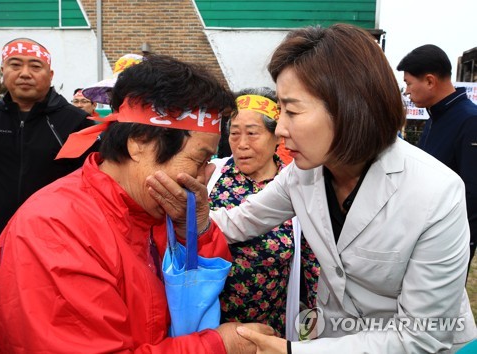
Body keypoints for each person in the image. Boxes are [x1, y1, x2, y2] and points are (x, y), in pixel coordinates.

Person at [146, 24, 477, 353]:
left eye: (291, 111)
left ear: (348, 107)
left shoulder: (436, 194)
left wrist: (293, 350)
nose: (282, 131)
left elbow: (420, 338)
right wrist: (199, 216)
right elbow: (243, 221)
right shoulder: (303, 175)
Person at [0, 54, 274, 353]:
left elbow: (193, 300)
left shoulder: (153, 206)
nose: (205, 175)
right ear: (140, 142)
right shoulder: (55, 231)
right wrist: (217, 347)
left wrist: (195, 231)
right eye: (199, 160)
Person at [0, 38, 95, 315]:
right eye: (15, 65)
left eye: (35, 66)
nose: (25, 73)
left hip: (55, 242)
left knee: (45, 314)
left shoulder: (75, 123)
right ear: (2, 71)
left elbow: (90, 186)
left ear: (50, 74)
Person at [207, 87, 319, 338]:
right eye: (234, 134)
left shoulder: (297, 186)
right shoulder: (210, 177)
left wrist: (312, 325)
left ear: (276, 136)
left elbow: (313, 264)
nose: (242, 144)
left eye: (252, 134)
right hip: (212, 327)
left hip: (271, 327)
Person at [397, 44, 477, 275]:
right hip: (422, 233)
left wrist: (461, 242)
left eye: (409, 83)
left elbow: (471, 192)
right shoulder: (435, 117)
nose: (407, 92)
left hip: (449, 241)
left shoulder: (470, 121)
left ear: (430, 81)